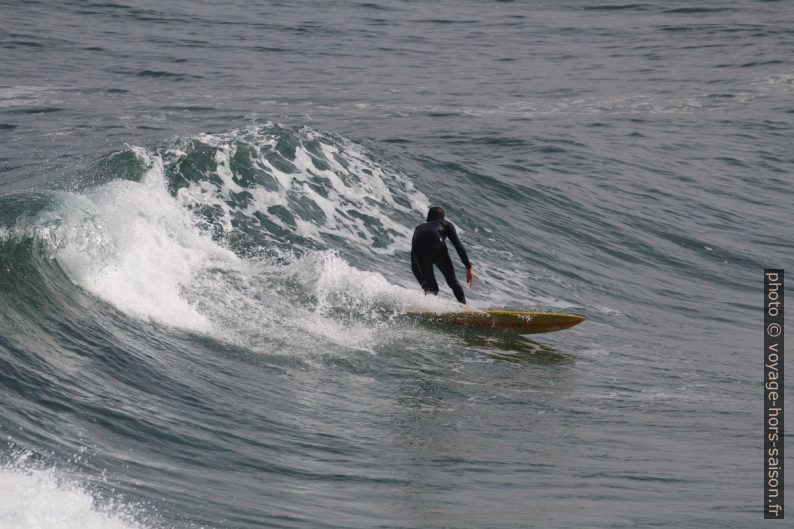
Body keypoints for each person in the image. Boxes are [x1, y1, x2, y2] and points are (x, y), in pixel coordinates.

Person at [410, 206, 474, 304]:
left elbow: (414, 261)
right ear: (442, 217)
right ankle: (465, 309)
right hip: (436, 244)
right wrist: (468, 267)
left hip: (419, 249)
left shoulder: (419, 228)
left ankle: (428, 308)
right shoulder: (445, 224)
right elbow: (458, 245)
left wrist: (424, 285)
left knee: (432, 289)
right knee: (452, 282)